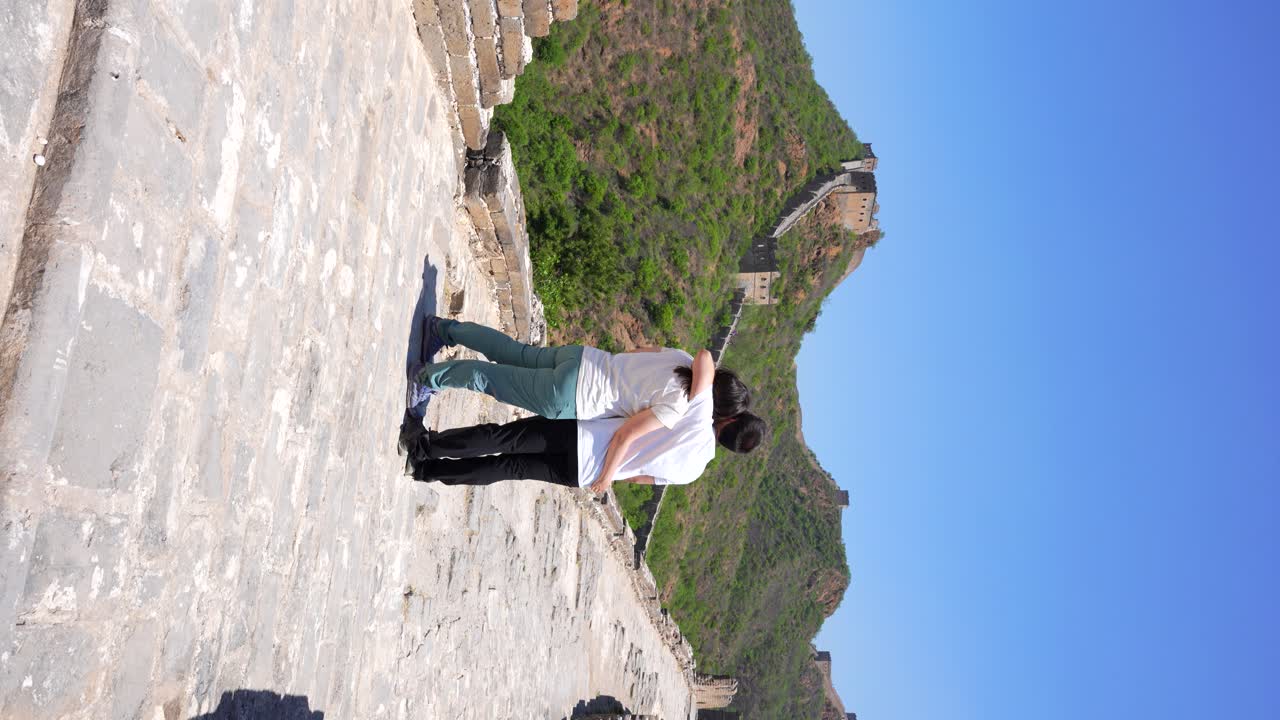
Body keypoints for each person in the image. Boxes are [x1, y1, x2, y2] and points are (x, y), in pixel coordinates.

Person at [400, 381, 766, 494]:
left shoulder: (698, 415)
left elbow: (703, 360)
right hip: (585, 475)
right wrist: (607, 475)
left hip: (583, 437)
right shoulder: (693, 472)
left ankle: (425, 446)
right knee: (507, 467)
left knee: (504, 438)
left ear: (731, 417)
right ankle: (426, 473)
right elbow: (639, 476)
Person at [408, 316, 747, 427]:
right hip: (574, 398)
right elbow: (629, 430)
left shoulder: (682, 359)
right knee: (490, 379)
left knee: (511, 351)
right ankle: (427, 379)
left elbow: (637, 351)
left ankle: (442, 328)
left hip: (584, 359)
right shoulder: (677, 408)